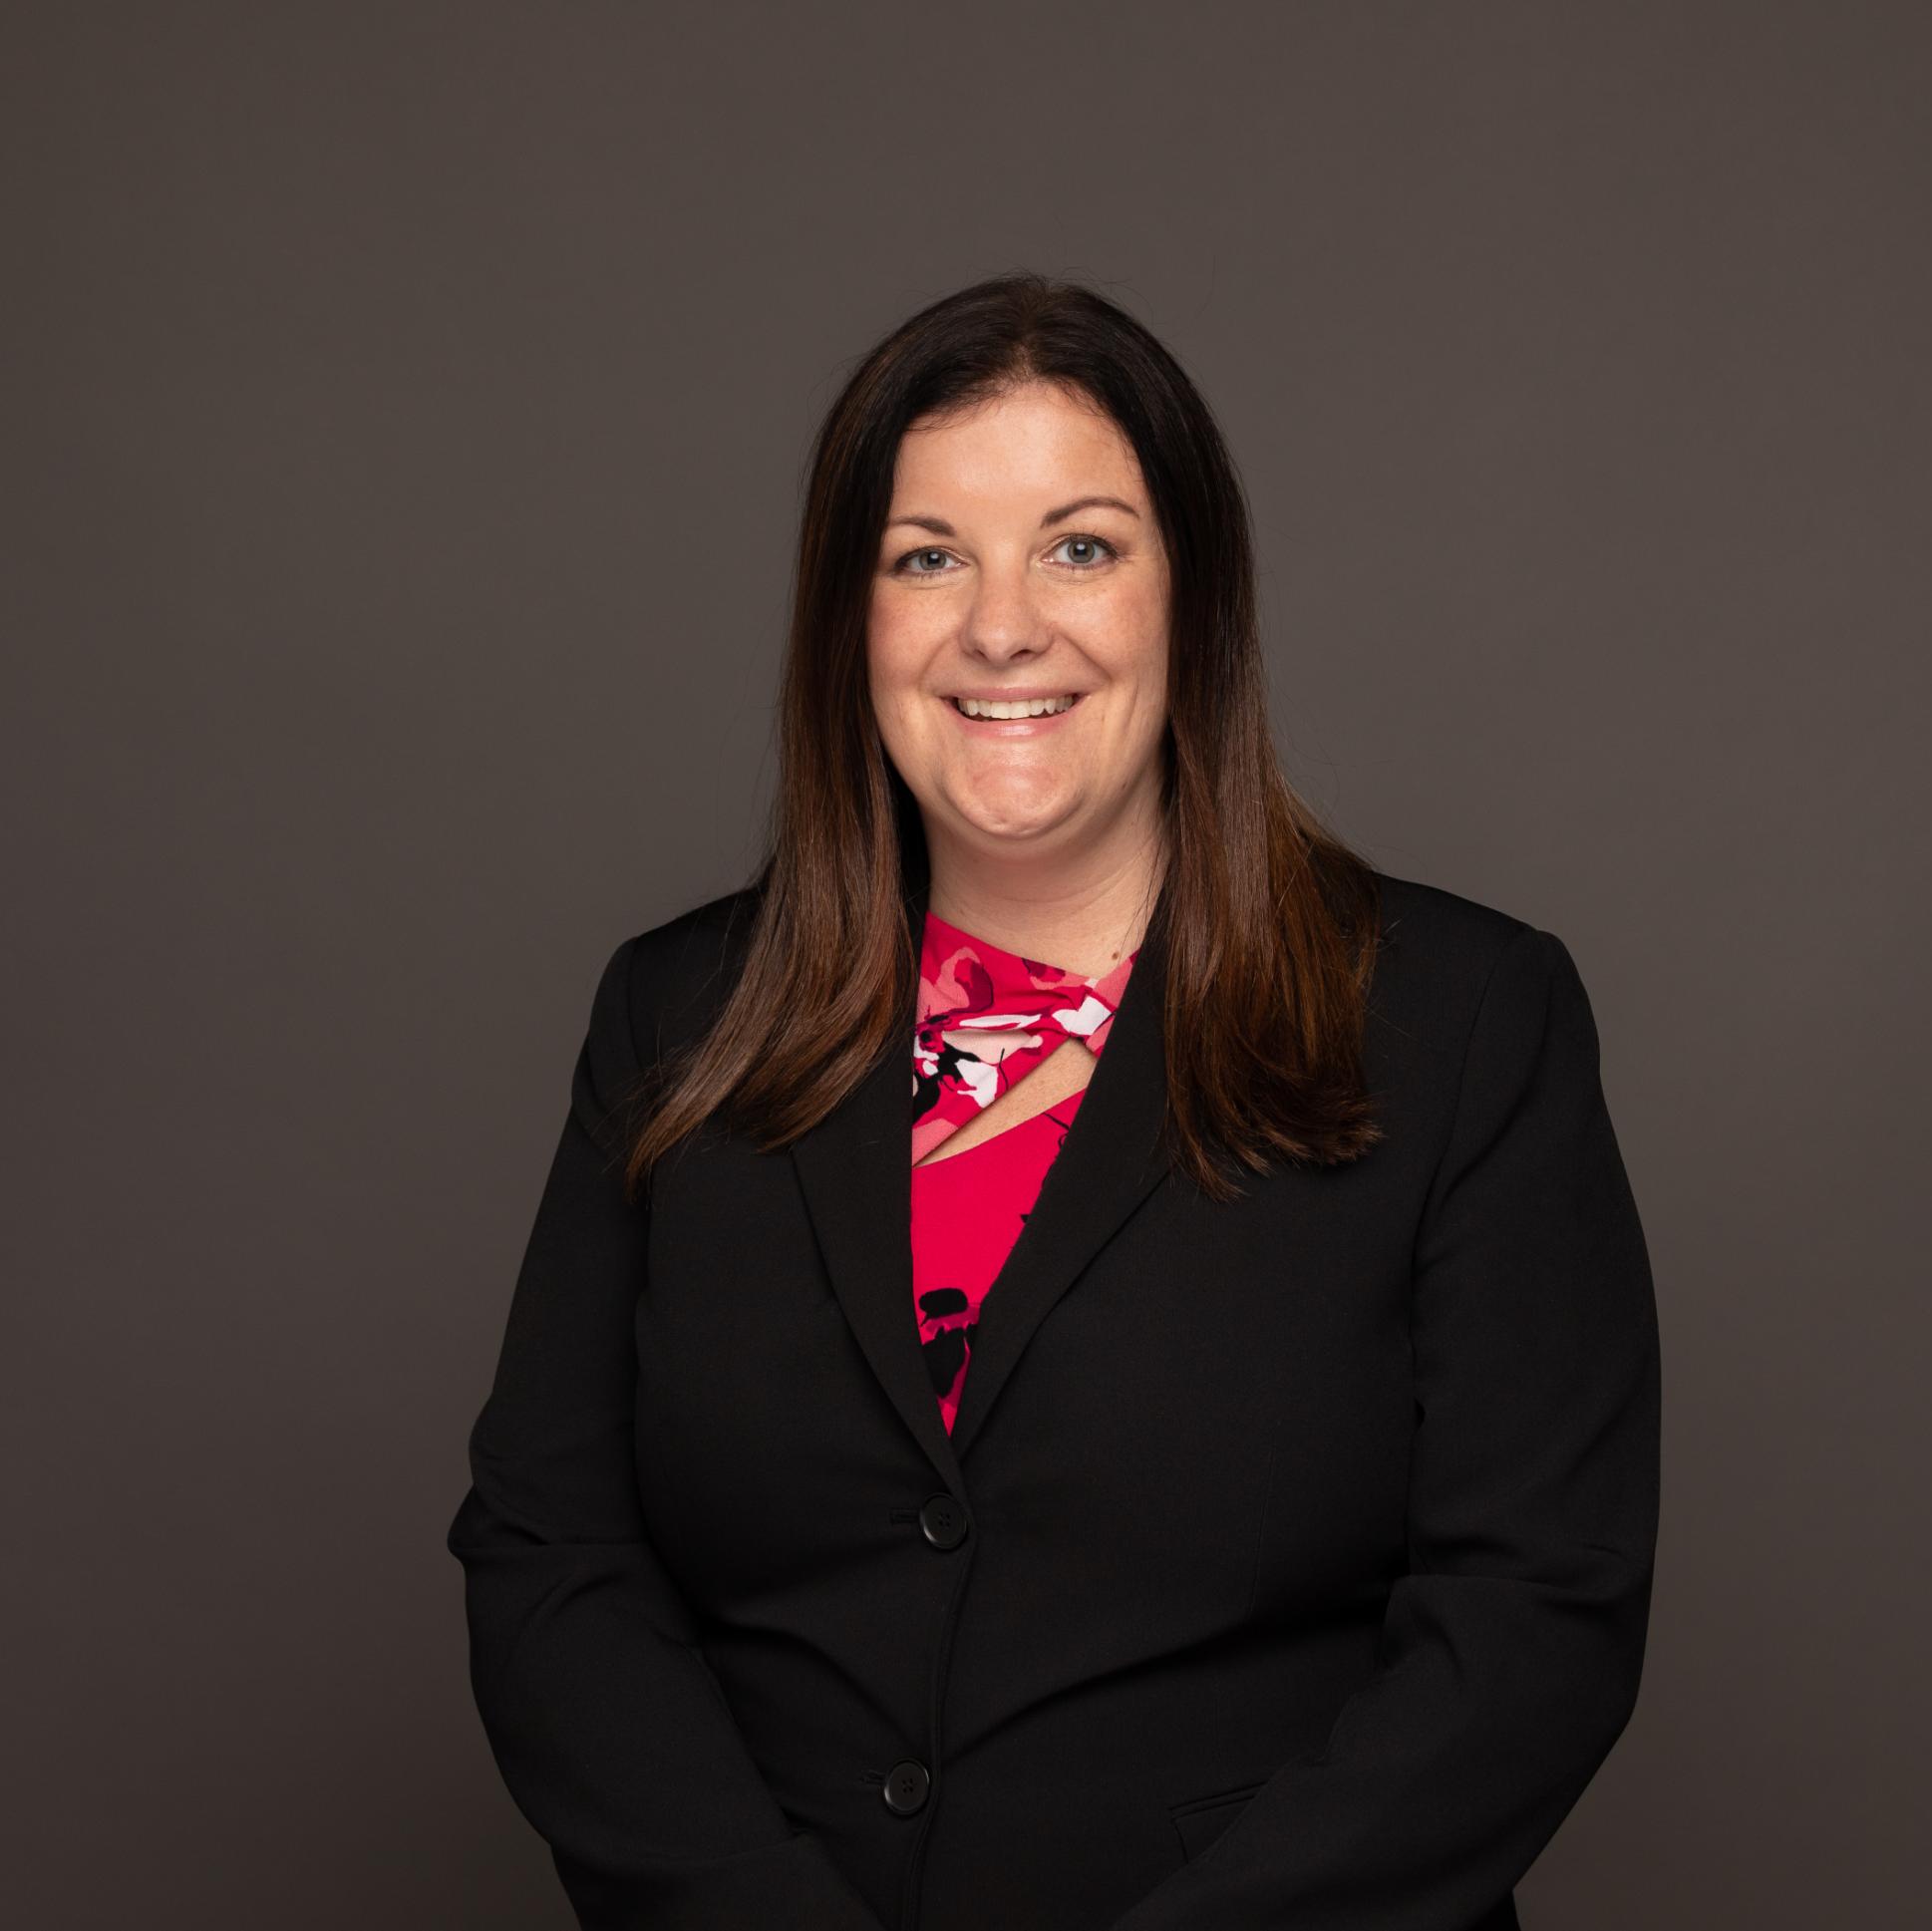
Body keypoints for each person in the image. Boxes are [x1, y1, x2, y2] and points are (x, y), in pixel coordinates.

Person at [445, 272, 1662, 1931]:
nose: (1000, 622)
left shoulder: (1462, 1020)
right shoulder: (676, 1017)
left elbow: (1536, 1613)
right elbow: (550, 1558)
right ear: (847, 620)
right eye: (926, 554)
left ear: (1193, 598)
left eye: (1080, 545)